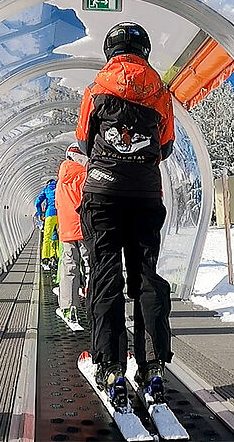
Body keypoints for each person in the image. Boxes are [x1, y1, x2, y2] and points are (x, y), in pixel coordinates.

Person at [76, 22, 175, 405]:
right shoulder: (161, 93)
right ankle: (152, 366)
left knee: (105, 277)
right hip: (146, 195)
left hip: (102, 193)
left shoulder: (96, 89)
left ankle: (111, 365)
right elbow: (165, 146)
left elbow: (84, 140)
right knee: (146, 276)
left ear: (110, 51)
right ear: (145, 52)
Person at [55, 143, 90, 328]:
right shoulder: (84, 175)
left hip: (67, 229)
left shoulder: (61, 180)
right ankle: (94, 303)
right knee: (90, 264)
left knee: (69, 267)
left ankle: (69, 308)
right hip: (84, 227)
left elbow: (59, 205)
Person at [35, 179, 59, 271]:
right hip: (60, 215)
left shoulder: (46, 190)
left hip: (49, 214)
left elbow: (37, 202)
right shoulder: (59, 188)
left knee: (47, 238)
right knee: (60, 238)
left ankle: (46, 258)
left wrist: (40, 213)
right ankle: (58, 256)